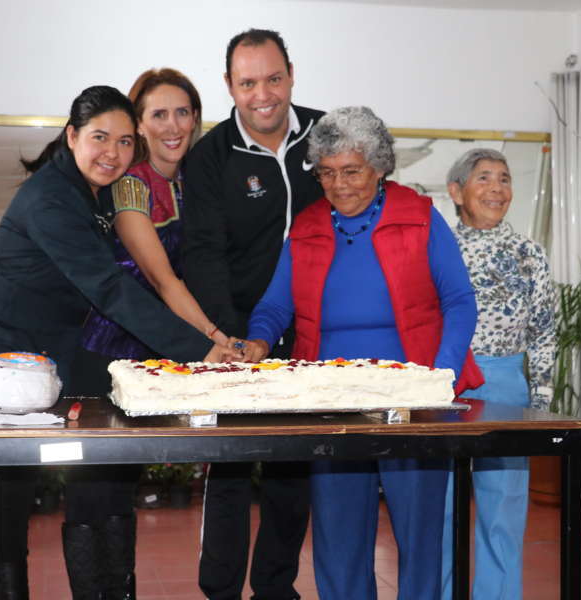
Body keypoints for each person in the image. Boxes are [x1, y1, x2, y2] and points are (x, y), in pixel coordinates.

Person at [0, 85, 235, 600]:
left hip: (49, 361)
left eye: (125, 142)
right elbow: (107, 287)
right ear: (72, 135)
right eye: (100, 137)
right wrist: (200, 350)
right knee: (5, 514)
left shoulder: (92, 192)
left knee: (89, 489)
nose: (113, 153)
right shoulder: (51, 198)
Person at [243, 106, 482, 600]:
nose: (339, 185)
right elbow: (274, 305)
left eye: (351, 171)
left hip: (412, 401)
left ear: (379, 167)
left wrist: (441, 377)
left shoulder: (419, 216)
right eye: (327, 173)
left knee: (419, 534)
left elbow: (459, 300)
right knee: (338, 534)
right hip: (333, 402)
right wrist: (259, 340)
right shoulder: (307, 226)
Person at [65, 68, 224, 598]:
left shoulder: (194, 182)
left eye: (182, 112)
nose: (172, 126)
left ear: (196, 119)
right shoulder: (130, 183)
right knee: (92, 489)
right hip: (103, 351)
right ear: (138, 124)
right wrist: (214, 341)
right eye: (158, 114)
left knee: (122, 486)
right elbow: (162, 279)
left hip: (153, 354)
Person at [182, 28, 323, 600]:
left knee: (294, 472)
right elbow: (203, 256)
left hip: (310, 339)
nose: (262, 94)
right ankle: (220, 590)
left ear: (291, 75)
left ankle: (275, 586)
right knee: (230, 470)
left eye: (273, 79)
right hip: (237, 337)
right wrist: (228, 339)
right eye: (247, 83)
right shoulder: (209, 158)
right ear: (229, 85)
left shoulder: (324, 136)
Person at [440, 148, 557, 600]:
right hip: (447, 386)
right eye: (484, 177)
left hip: (508, 384)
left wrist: (541, 403)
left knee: (503, 509)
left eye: (504, 179)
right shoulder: (440, 249)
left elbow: (544, 331)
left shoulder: (529, 253)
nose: (497, 188)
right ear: (456, 191)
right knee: (442, 509)